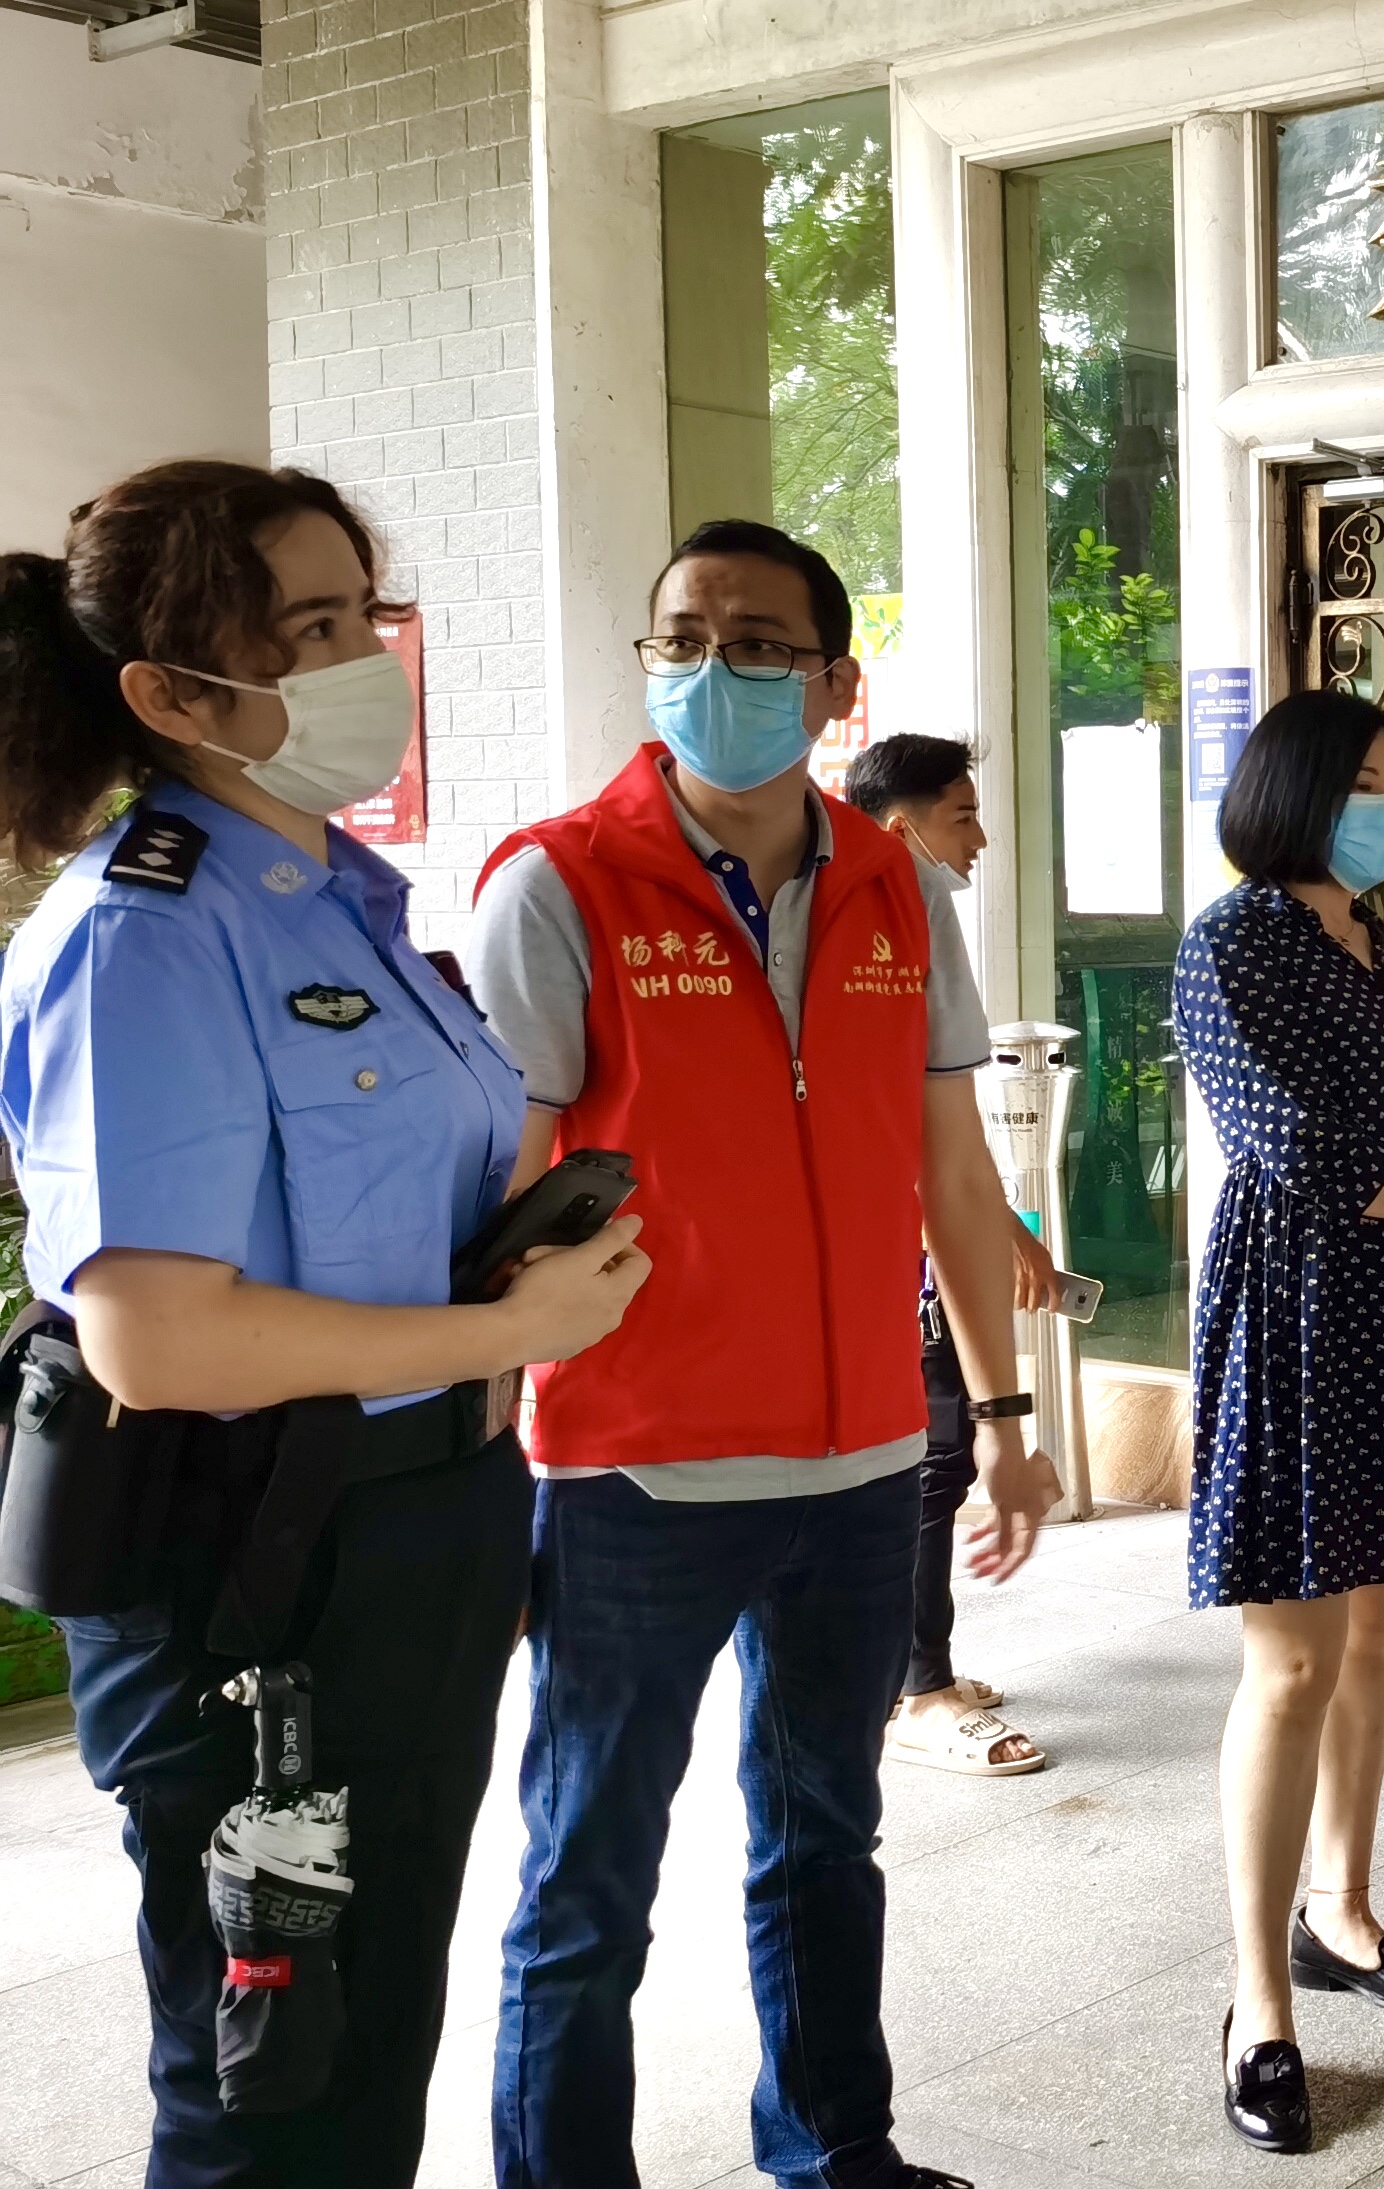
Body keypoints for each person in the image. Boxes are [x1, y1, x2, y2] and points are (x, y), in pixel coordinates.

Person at [0, 460, 649, 2184]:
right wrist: (504, 1335)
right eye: (310, 627)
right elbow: (156, 1337)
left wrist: (513, 1284)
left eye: (366, 611)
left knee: (365, 2047)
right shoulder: (144, 937)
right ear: (171, 695)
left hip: (409, 1535)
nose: (368, 656)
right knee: (267, 2088)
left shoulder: (350, 908)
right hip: (254, 1573)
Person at [465, 519, 1058, 2189]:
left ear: (832, 682)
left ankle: (836, 2149)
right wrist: (480, 1458)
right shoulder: (558, 881)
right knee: (587, 1874)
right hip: (633, 1466)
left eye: (754, 643)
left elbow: (953, 1174)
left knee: (825, 1838)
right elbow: (503, 1196)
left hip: (860, 1462)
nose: (709, 668)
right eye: (681, 638)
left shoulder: (897, 886)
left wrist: (1002, 1415)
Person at [1176, 688, 1384, 2155]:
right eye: (1361, 782)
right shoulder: (1231, 940)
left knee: (1374, 1633)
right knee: (1295, 1662)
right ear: (1293, 791)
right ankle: (1260, 2002)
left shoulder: (1377, 952)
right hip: (1297, 1306)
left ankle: (1345, 1911)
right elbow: (1295, 1141)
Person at [843, 732, 1057, 1778]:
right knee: (933, 1469)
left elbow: (946, 1141)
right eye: (962, 816)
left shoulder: (897, 917)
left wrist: (1003, 1232)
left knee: (937, 1461)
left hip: (911, 1249)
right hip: (887, 1266)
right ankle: (917, 1688)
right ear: (902, 828)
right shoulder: (889, 915)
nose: (978, 839)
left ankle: (912, 1670)